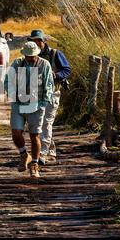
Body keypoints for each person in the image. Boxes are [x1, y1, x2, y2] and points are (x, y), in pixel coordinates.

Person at [4, 42, 54, 178]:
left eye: (32, 55)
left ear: (37, 54)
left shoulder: (44, 65)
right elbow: (8, 80)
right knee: (16, 133)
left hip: (36, 105)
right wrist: (12, 95)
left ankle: (34, 165)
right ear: (24, 54)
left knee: (34, 135)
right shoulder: (17, 63)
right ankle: (24, 154)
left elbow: (49, 85)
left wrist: (43, 103)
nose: (30, 58)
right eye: (28, 55)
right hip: (18, 103)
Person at [27, 29, 71, 165]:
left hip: (52, 93)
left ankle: (42, 153)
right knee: (38, 123)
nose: (36, 43)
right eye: (33, 40)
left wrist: (56, 75)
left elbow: (67, 70)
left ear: (43, 41)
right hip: (35, 95)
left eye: (38, 40)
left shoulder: (55, 54)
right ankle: (50, 149)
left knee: (46, 122)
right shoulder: (28, 55)